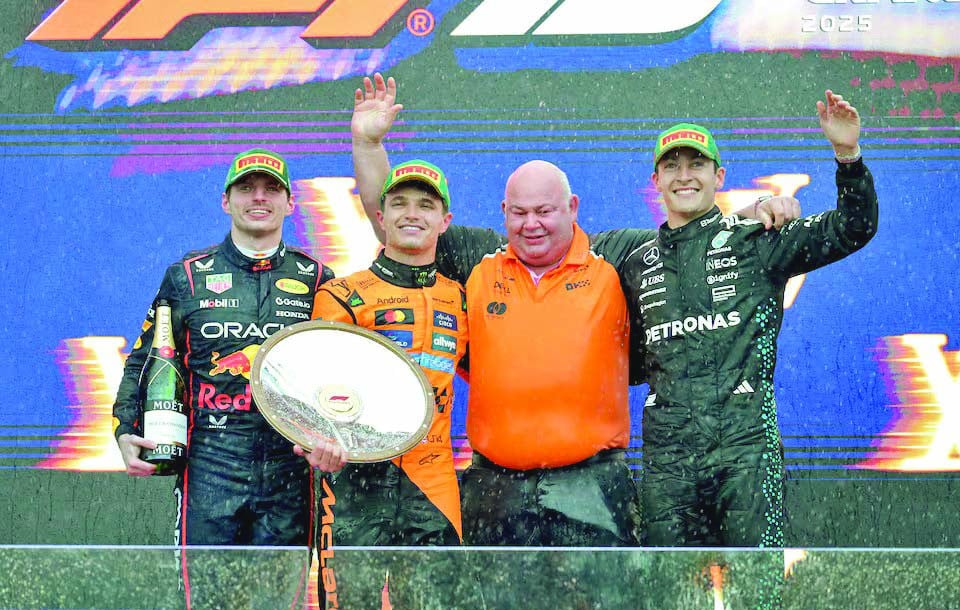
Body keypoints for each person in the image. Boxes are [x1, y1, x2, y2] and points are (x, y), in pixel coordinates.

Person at [350, 74, 800, 548]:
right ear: (504, 211)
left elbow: (690, 236)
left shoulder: (617, 254)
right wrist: (368, 143)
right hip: (495, 485)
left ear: (573, 208)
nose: (532, 224)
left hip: (594, 485)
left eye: (545, 211)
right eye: (519, 213)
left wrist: (756, 211)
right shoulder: (479, 257)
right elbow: (398, 226)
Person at [621, 90, 879, 548]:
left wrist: (847, 155)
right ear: (655, 180)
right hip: (668, 461)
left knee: (757, 597)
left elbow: (852, 227)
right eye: (672, 167)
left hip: (748, 454)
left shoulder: (758, 239)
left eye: (696, 165)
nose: (684, 176)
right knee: (671, 601)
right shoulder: (631, 258)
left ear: (718, 176)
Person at [112, 148, 335, 610]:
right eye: (246, 189)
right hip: (209, 465)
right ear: (226, 200)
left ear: (289, 202)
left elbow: (335, 374)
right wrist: (125, 428)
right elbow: (146, 359)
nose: (259, 197)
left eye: (271, 189)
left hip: (289, 470)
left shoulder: (318, 278)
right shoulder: (186, 276)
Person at [298, 158, 467, 547]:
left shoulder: (461, 300)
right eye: (400, 203)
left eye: (426, 205)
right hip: (353, 483)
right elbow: (313, 393)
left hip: (434, 483)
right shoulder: (340, 295)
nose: (412, 214)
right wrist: (313, 437)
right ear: (381, 215)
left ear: (445, 220)